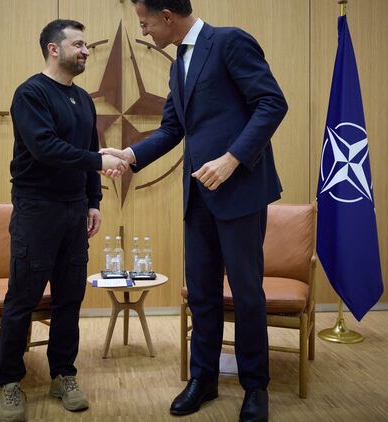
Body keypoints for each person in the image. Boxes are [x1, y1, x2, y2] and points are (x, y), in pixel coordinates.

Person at [101, 1, 287, 421]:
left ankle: (255, 387)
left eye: (145, 22)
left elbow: (272, 103)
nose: (144, 31)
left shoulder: (229, 42)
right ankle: (203, 380)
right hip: (198, 198)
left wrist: (232, 159)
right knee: (202, 294)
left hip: (240, 192)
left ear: (168, 16)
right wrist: (130, 154)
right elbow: (173, 129)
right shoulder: (178, 65)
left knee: (246, 294)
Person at [0, 19, 127, 422]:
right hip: (37, 210)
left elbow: (88, 150)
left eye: (86, 46)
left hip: (74, 211)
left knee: (70, 298)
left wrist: (93, 201)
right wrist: (98, 161)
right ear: (54, 49)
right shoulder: (30, 94)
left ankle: (63, 376)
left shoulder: (84, 100)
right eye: (78, 44)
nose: (86, 51)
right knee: (23, 298)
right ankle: (10, 383)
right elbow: (46, 148)